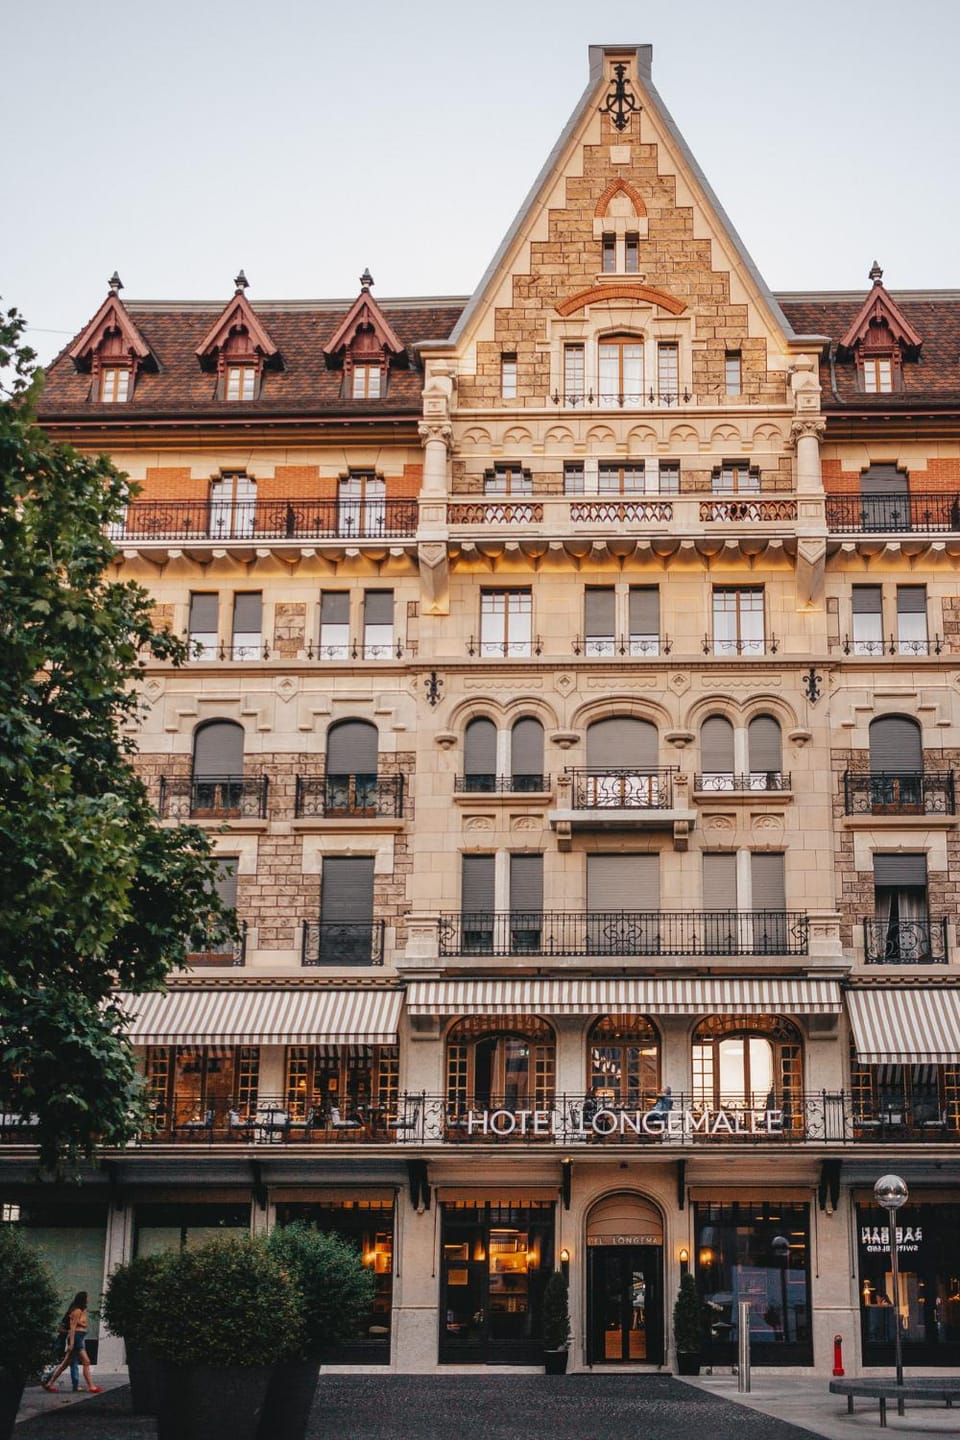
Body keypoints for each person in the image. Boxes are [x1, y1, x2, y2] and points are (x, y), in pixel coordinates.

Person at [42, 1291, 103, 1393]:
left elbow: (77, 1324)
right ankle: (91, 1386)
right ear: (83, 1299)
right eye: (87, 1297)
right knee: (86, 1361)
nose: (89, 1299)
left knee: (65, 1364)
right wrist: (71, 1343)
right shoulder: (77, 1311)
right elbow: (73, 1328)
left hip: (79, 1337)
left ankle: (49, 1384)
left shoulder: (80, 1311)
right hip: (77, 1338)